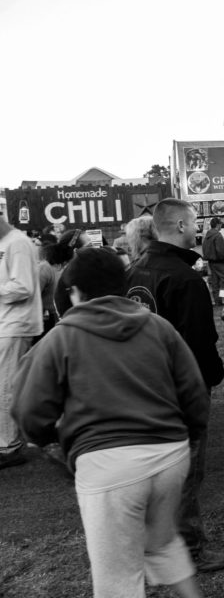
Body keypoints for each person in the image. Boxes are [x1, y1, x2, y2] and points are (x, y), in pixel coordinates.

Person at [12, 247, 208, 598]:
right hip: (170, 454)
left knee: (118, 578)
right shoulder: (158, 327)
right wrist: (189, 436)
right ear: (122, 285)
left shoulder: (61, 337)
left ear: (73, 292)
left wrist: (52, 443)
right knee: (162, 544)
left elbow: (28, 409)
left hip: (108, 466)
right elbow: (194, 392)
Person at [124, 198, 224, 574]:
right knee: (183, 470)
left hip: (142, 383)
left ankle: (157, 539)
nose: (198, 229)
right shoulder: (184, 278)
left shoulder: (136, 267)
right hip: (179, 388)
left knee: (157, 469)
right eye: (195, 223)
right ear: (183, 227)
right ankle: (187, 546)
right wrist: (209, 379)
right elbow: (199, 343)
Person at [0, 214, 41, 470]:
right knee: (6, 383)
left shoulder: (17, 243)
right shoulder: (9, 243)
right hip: (8, 322)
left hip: (16, 323)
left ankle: (9, 446)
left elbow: (23, 287)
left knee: (5, 384)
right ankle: (9, 442)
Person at [201, 217, 224, 306]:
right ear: (218, 225)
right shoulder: (218, 235)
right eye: (220, 224)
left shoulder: (207, 236)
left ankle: (217, 302)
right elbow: (221, 251)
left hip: (211, 263)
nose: (221, 226)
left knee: (215, 283)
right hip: (220, 262)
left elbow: (204, 249)